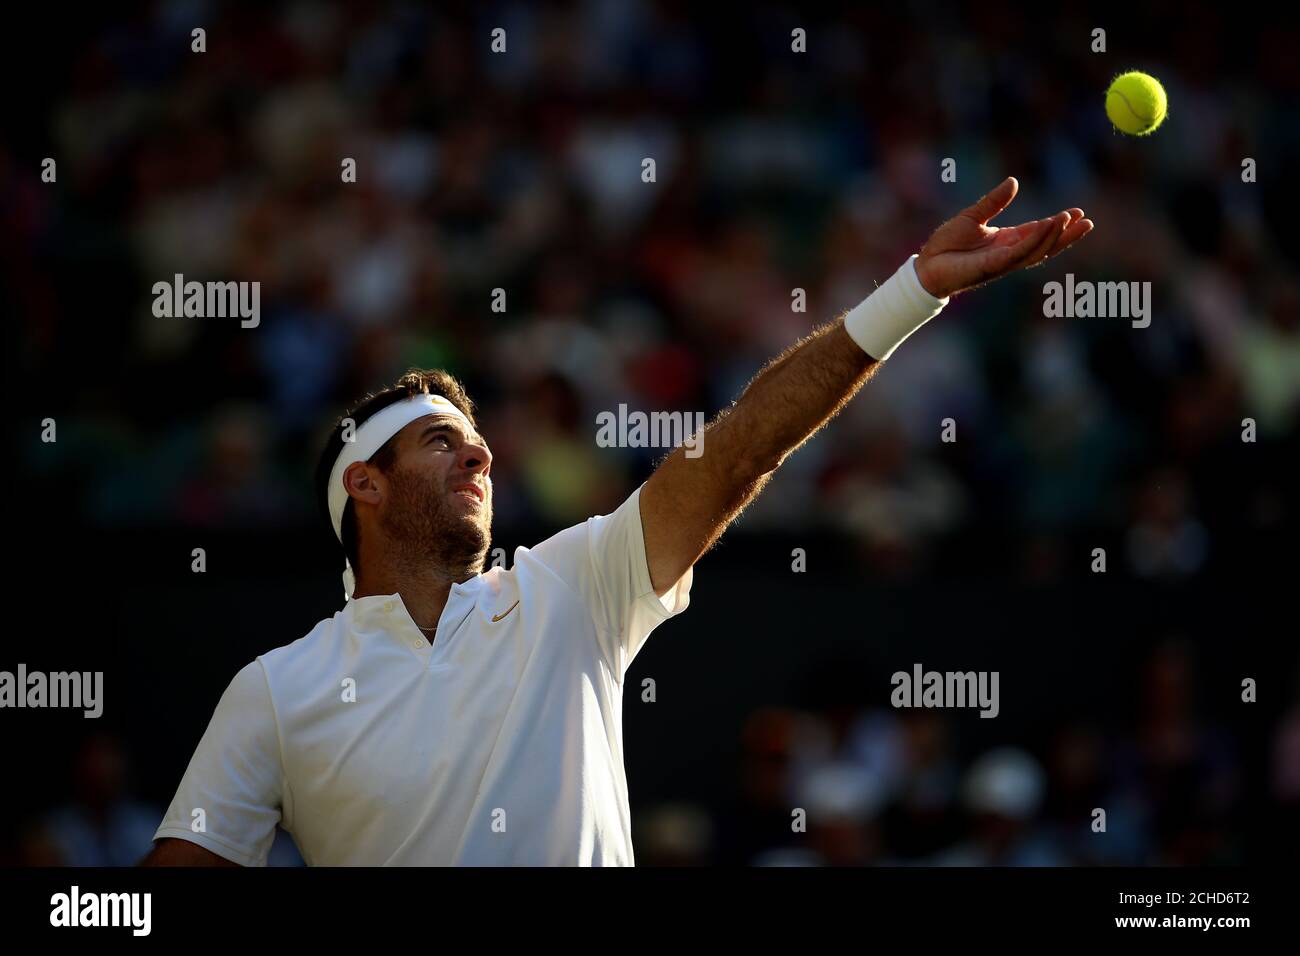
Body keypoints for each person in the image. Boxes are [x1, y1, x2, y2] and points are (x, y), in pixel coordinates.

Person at [142, 178, 1092, 865]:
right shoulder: (275, 690)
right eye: (439, 442)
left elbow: (734, 451)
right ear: (366, 486)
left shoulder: (569, 587)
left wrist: (909, 294)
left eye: (476, 441)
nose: (479, 455)